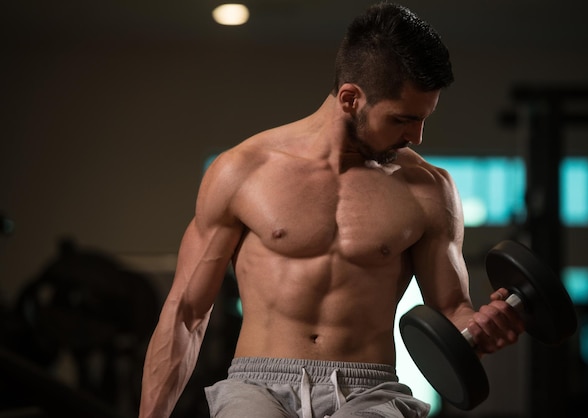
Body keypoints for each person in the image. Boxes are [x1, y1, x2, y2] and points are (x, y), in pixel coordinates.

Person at [139, 3, 525, 417]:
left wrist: (481, 328)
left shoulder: (429, 189)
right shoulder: (244, 170)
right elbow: (186, 315)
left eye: (423, 120)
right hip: (258, 386)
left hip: (369, 391)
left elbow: (451, 307)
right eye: (402, 119)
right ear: (350, 98)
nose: (417, 136)